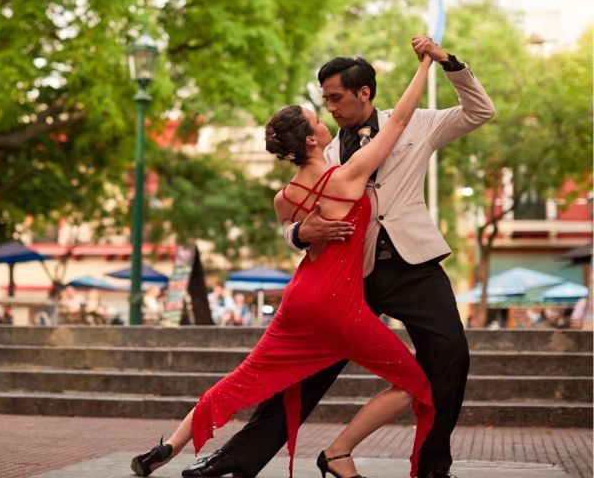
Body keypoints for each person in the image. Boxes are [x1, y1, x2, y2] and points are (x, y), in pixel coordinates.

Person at [183, 38, 495, 478]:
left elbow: (480, 111)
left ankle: (431, 465)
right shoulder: (323, 150)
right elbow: (291, 218)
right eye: (324, 99)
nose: (328, 107)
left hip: (415, 266)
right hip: (349, 276)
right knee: (306, 370)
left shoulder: (416, 123)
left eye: (335, 97)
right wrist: (297, 233)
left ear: (363, 92)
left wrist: (451, 64)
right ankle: (238, 457)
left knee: (451, 355)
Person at [131, 40, 437, 478]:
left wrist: (300, 231)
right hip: (341, 306)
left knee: (242, 378)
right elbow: (402, 118)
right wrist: (426, 63)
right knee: (415, 385)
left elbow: (294, 235)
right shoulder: (349, 176)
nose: (325, 114)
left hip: (298, 301)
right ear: (312, 139)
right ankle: (340, 452)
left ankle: (168, 447)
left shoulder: (284, 197)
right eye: (317, 117)